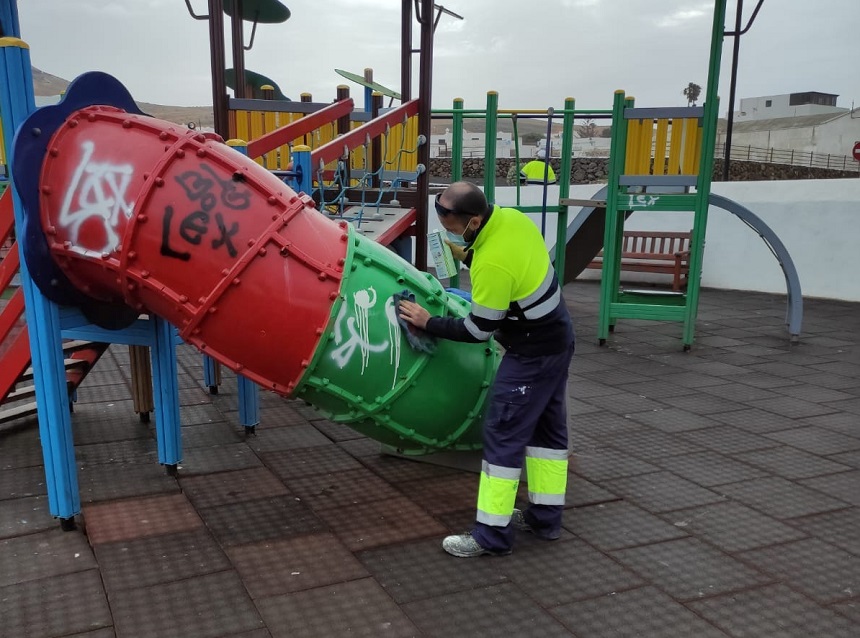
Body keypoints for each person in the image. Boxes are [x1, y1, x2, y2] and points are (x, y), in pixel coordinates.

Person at [398, 181, 575, 557]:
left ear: (474, 221)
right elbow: (508, 264)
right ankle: (545, 518)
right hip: (559, 339)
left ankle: (492, 535)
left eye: (450, 224)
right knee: (547, 434)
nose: (447, 229)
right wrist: (463, 254)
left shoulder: (491, 263)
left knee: (503, 435)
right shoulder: (512, 219)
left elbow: (478, 330)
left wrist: (429, 322)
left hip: (531, 353)